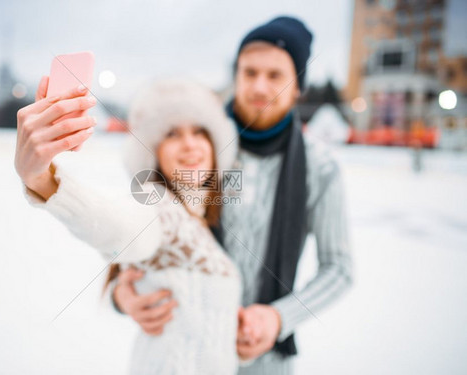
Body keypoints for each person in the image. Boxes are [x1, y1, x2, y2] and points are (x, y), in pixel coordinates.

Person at [113, 16, 353, 374]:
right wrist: (123, 294)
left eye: (275, 75)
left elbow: (339, 268)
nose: (259, 86)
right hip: (183, 350)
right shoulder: (197, 145)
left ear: (297, 85)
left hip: (264, 362)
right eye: (249, 72)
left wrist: (277, 318)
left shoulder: (320, 168)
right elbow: (139, 230)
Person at [15, 78, 243, 374]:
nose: (189, 143)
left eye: (199, 131)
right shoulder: (161, 206)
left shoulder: (201, 219)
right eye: (172, 133)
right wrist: (42, 180)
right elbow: (118, 223)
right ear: (155, 152)